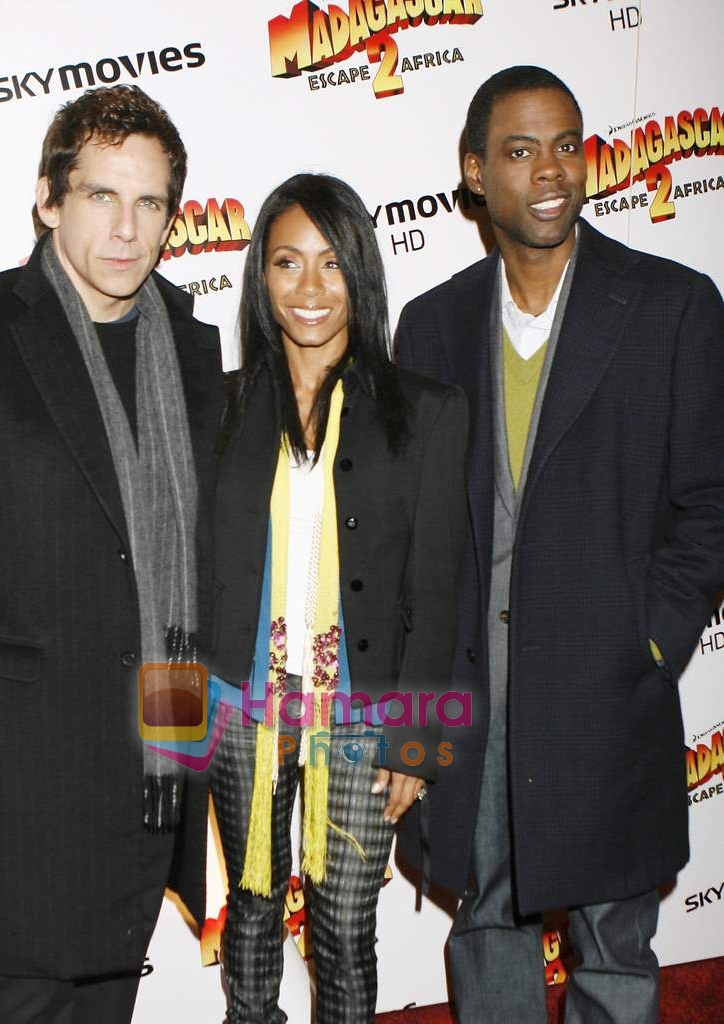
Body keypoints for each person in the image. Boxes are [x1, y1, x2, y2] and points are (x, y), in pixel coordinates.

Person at [395, 66, 724, 1023]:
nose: (550, 171)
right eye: (519, 149)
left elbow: (708, 505)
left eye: (567, 144)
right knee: (484, 921)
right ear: (472, 172)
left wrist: (649, 642)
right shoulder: (432, 325)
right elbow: (416, 537)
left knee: (613, 942)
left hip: (606, 691)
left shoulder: (670, 306)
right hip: (470, 696)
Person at [0, 84, 221, 1023]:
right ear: (48, 199)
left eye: (150, 202)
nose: (127, 227)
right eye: (101, 196)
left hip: (154, 751)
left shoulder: (191, 350)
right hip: (19, 768)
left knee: (107, 1006)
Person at [208, 173, 468, 1023]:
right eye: (287, 263)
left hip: (364, 720)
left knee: (345, 927)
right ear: (261, 279)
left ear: (360, 271)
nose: (310, 289)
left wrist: (417, 743)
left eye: (330, 263)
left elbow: (438, 587)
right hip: (239, 710)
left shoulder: (426, 413)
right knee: (248, 907)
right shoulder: (220, 407)